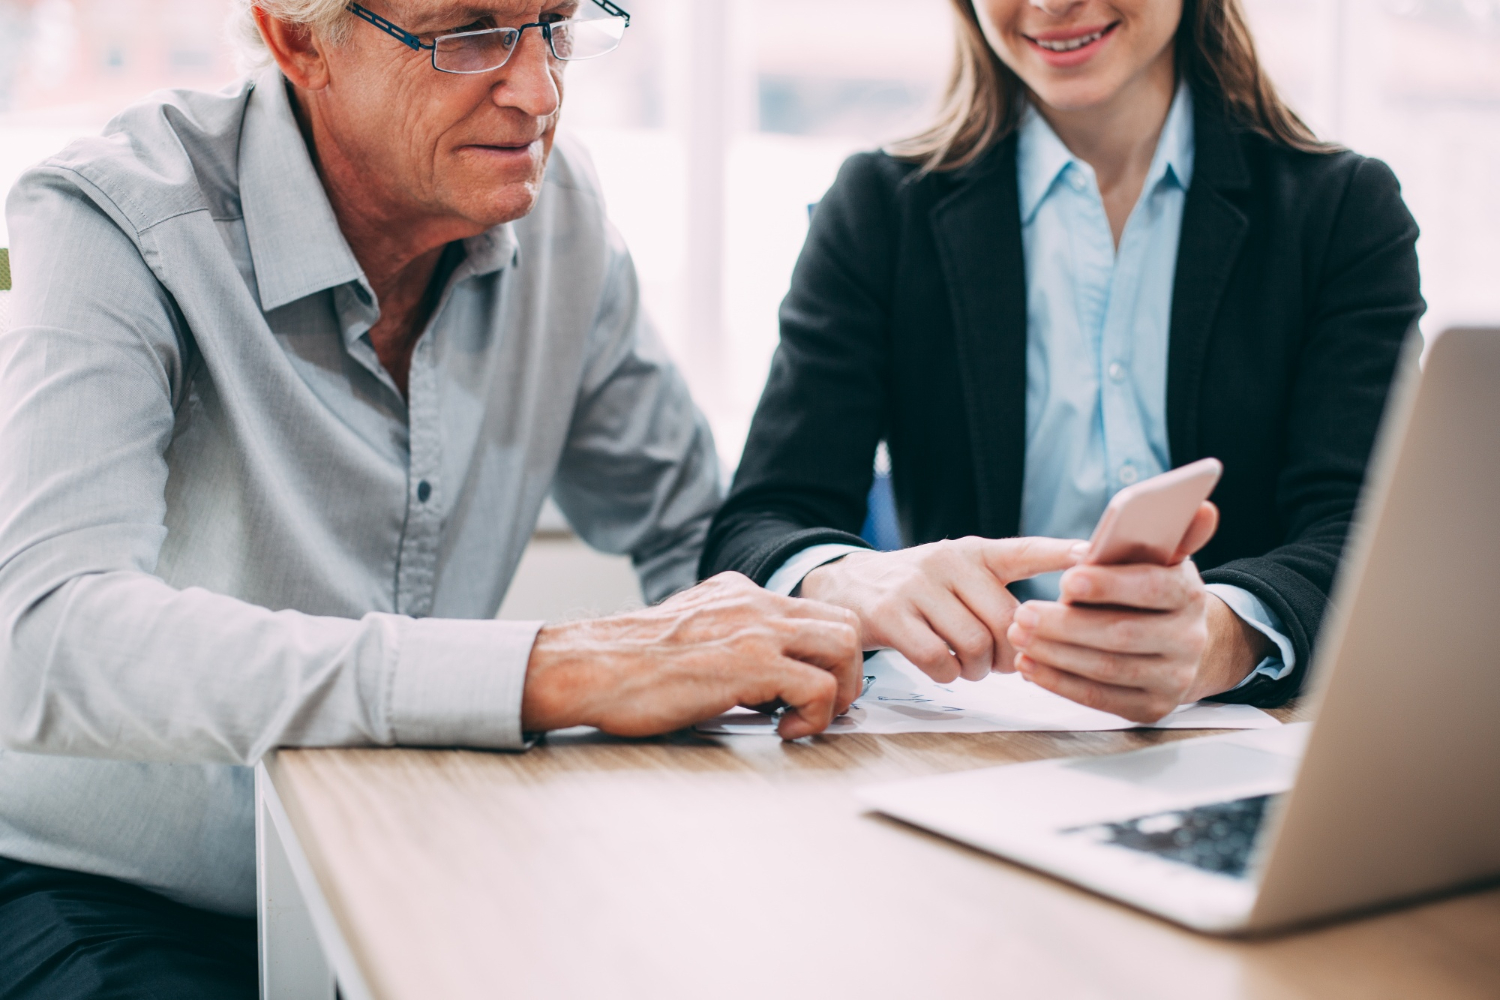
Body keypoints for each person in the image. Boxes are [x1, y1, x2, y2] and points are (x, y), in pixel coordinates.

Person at [0, 0, 979, 994]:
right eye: (467, 32)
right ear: (299, 39)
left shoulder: (560, 220)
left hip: (407, 858)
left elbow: (691, 534)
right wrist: (543, 670)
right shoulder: (112, 221)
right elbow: (46, 638)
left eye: (554, 23)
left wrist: (824, 588)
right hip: (102, 888)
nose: (538, 89)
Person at [702, 0, 1423, 724]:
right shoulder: (882, 209)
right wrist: (845, 580)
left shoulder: (1341, 213)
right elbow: (760, 523)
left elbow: (1370, 531)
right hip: (967, 743)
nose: (1050, 4)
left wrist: (1221, 637)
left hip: (1248, 740)